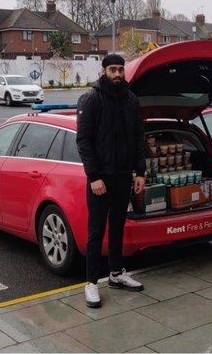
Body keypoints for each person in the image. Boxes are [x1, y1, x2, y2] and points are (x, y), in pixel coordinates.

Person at [76, 54, 146, 308]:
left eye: (120, 70)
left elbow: (139, 137)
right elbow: (83, 141)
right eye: (113, 70)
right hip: (100, 179)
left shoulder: (131, 99)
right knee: (96, 231)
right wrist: (93, 176)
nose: (117, 74)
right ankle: (91, 283)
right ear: (103, 70)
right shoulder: (91, 99)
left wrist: (140, 172)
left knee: (118, 226)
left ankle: (116, 274)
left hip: (123, 176)